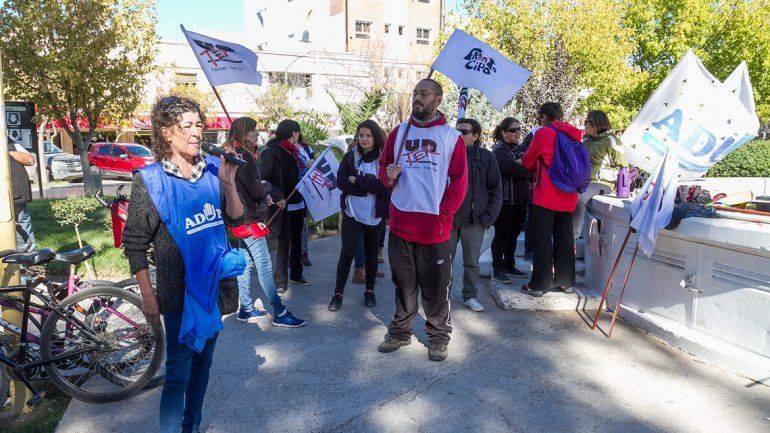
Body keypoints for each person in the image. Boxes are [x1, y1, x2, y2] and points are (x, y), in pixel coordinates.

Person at [122, 96, 245, 433]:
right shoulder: (150, 181)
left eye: (198, 124)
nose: (195, 132)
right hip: (177, 295)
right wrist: (148, 294)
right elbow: (134, 243)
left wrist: (229, 182)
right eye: (186, 126)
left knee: (203, 364)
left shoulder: (210, 172)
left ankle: (191, 426)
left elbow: (235, 219)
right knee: (178, 373)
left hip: (214, 289)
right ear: (165, 133)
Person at [377, 78, 468, 362]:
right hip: (402, 224)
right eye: (415, 93)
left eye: (424, 93)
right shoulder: (399, 133)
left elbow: (459, 182)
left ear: (438, 99)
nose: (418, 98)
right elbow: (383, 168)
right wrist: (387, 175)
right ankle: (401, 332)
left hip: (435, 227)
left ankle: (438, 337)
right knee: (403, 284)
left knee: (436, 288)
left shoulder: (451, 137)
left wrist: (444, 215)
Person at [224, 117, 305, 328]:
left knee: (245, 264)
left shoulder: (232, 154)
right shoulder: (243, 157)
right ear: (243, 134)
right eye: (253, 132)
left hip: (239, 218)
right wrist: (267, 188)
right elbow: (257, 189)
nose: (257, 135)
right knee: (264, 266)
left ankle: (246, 308)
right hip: (250, 219)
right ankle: (279, 311)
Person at [521, 102, 582, 297]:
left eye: (539, 118)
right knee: (565, 237)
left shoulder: (544, 133)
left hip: (547, 193)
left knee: (542, 238)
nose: (538, 122)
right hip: (570, 193)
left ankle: (540, 284)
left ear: (545, 117)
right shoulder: (574, 134)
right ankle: (566, 282)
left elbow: (528, 161)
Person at [328, 120, 389, 311]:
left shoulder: (384, 159)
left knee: (372, 253)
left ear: (375, 137)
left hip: (375, 213)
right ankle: (337, 294)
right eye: (361, 135)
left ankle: (369, 292)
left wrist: (358, 181)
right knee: (347, 252)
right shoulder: (350, 157)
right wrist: (366, 187)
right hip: (352, 212)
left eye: (368, 136)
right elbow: (342, 183)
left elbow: (384, 186)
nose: (364, 139)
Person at [450, 118, 502, 312]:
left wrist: (489, 218)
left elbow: (496, 189)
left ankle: (469, 296)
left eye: (464, 132)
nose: (459, 135)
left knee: (471, 263)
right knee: (444, 261)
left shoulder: (485, 158)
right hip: (450, 218)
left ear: (475, 136)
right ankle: (441, 298)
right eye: (457, 131)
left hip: (474, 220)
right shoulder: (448, 155)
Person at [259, 119, 310, 293]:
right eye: (297, 132)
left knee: (297, 241)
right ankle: (280, 280)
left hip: (298, 203)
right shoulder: (272, 152)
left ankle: (297, 273)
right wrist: (277, 196)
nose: (299, 136)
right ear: (293, 133)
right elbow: (264, 178)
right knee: (284, 243)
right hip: (282, 205)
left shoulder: (296, 152)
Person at [573, 110, 628, 240]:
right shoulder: (586, 140)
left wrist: (600, 173)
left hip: (603, 183)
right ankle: (562, 236)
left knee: (579, 198)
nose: (584, 124)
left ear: (595, 124)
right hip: (584, 181)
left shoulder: (612, 141)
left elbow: (623, 169)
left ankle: (572, 239)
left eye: (586, 122)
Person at [490, 117, 531, 284]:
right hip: (505, 201)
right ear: (504, 132)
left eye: (519, 130)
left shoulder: (522, 149)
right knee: (502, 235)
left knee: (514, 235)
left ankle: (509, 264)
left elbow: (532, 168)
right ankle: (497, 267)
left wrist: (524, 168)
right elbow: (514, 170)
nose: (517, 133)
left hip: (522, 200)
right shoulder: (499, 151)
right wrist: (524, 169)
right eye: (514, 130)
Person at [7, 136, 36, 251]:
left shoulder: (9, 140)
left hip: (16, 191)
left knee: (23, 221)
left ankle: (27, 260)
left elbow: (30, 160)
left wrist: (8, 151)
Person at [297, 134, 315, 266]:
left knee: (303, 223)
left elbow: (316, 166)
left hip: (306, 191)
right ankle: (291, 254)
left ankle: (304, 253)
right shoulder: (283, 148)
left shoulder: (307, 149)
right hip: (290, 191)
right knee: (290, 225)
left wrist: (311, 164)